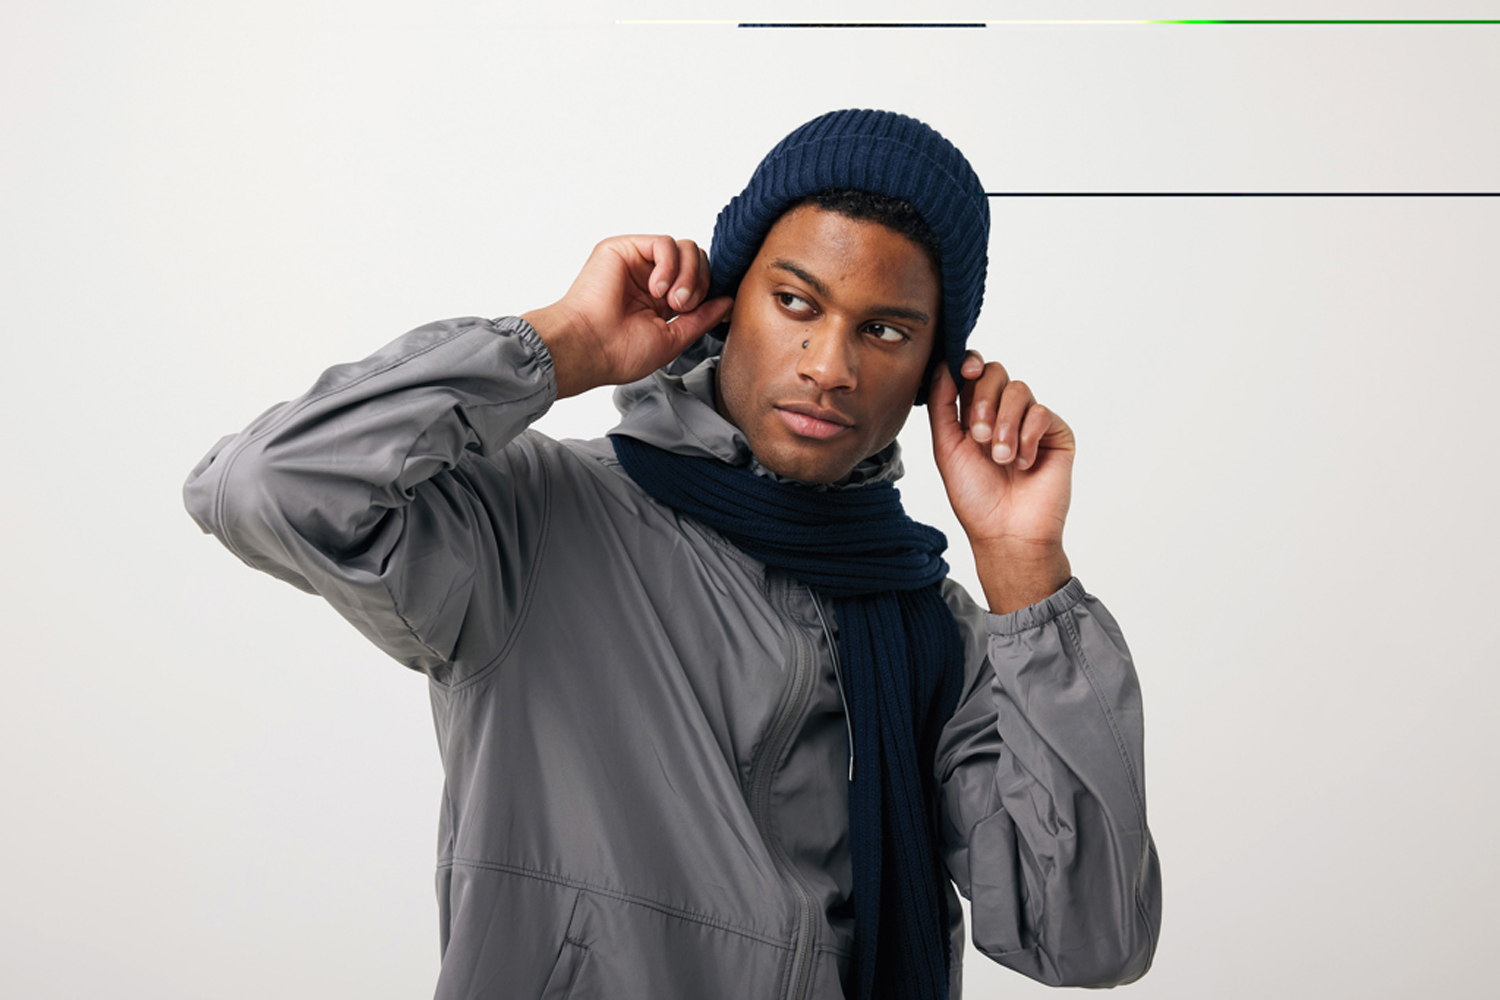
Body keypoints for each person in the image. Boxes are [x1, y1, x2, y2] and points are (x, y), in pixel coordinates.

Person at [184, 109, 1160, 999]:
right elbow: (266, 486)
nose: (830, 366)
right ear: (730, 303)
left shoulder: (937, 631)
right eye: (796, 301)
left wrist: (1023, 564)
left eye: (884, 329)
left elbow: (1088, 939)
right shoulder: (534, 519)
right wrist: (560, 344)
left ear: (931, 375)